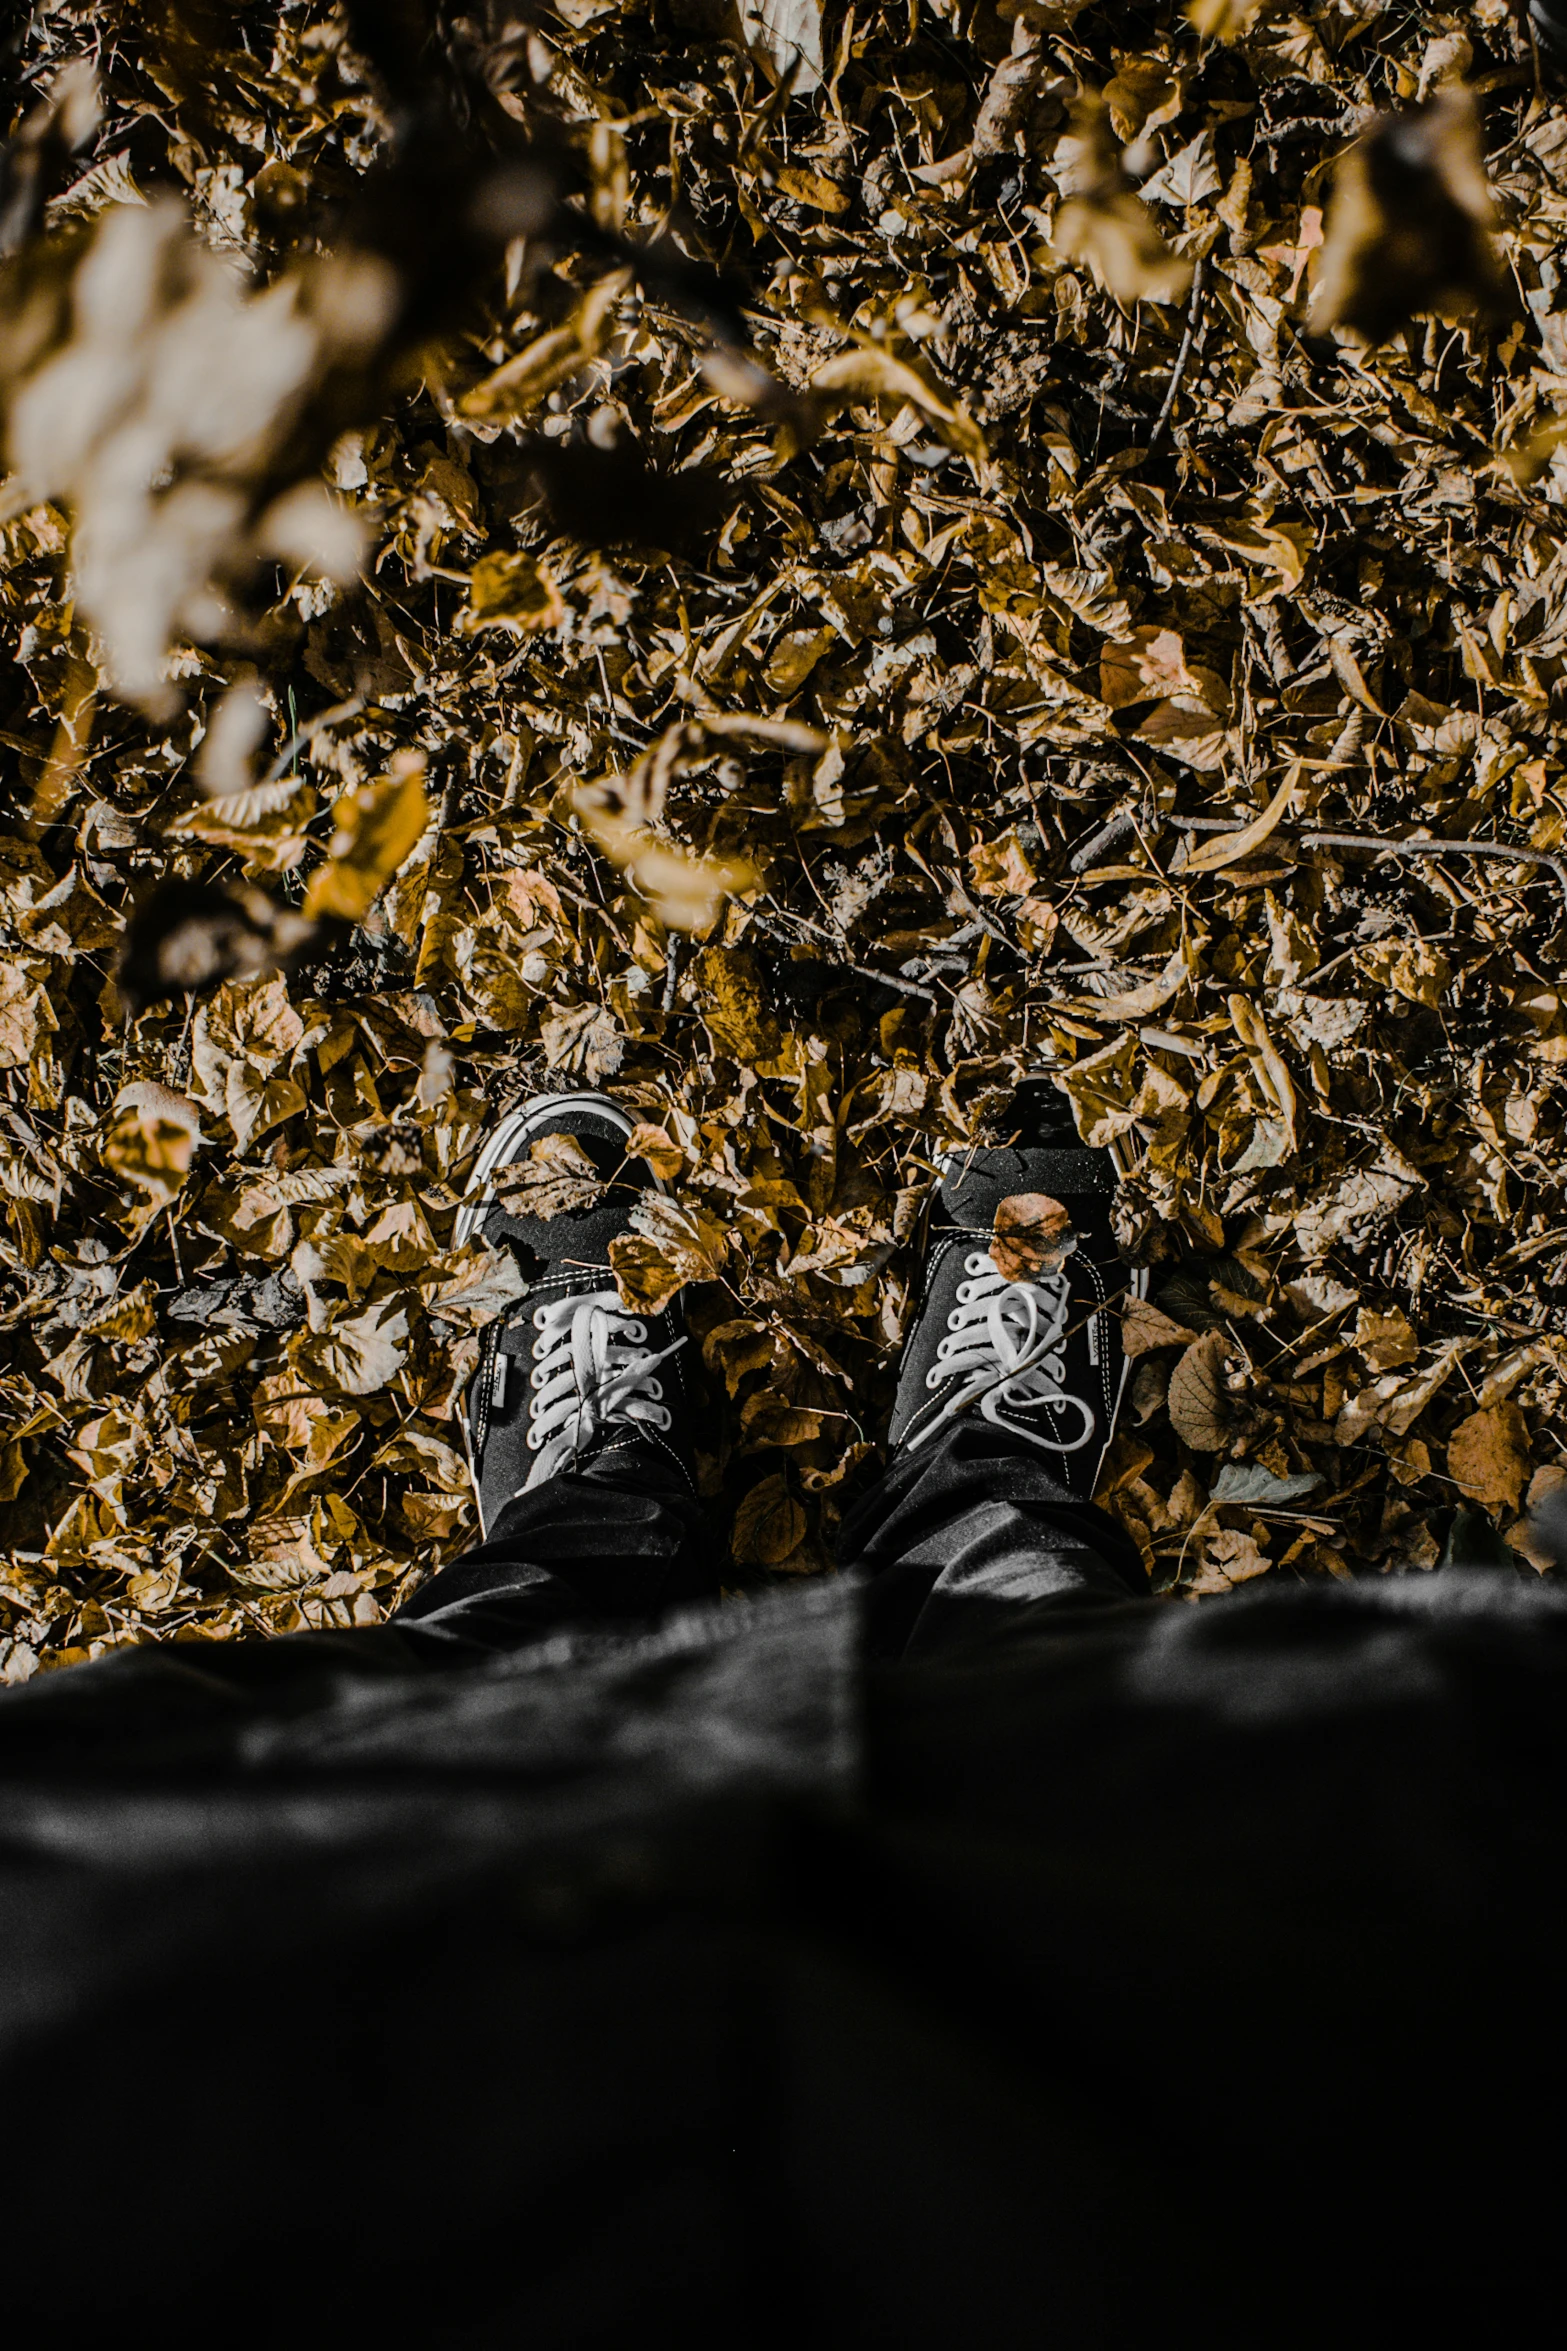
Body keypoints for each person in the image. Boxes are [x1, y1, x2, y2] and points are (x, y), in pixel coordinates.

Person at [3, 1082, 1565, 2349]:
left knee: (490, 1640)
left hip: (199, 2015)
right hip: (1182, 2049)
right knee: (1025, 1605)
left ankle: (608, 1477)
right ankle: (984, 1451)